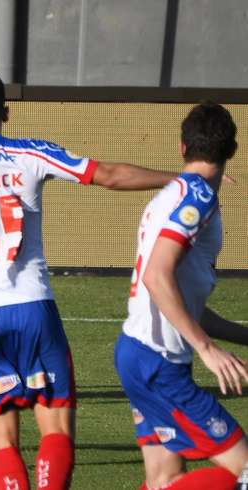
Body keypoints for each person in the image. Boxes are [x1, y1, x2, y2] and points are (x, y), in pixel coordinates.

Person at [0, 72, 178, 489]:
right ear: (7, 113)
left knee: (2, 443)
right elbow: (107, 174)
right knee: (54, 429)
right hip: (33, 307)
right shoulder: (31, 153)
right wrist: (175, 179)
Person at [114, 102, 248, 490]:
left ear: (182, 148)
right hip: (158, 363)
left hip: (137, 353)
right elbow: (158, 276)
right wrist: (207, 349)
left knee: (164, 479)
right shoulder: (198, 198)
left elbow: (185, 306)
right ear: (232, 151)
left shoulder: (173, 193)